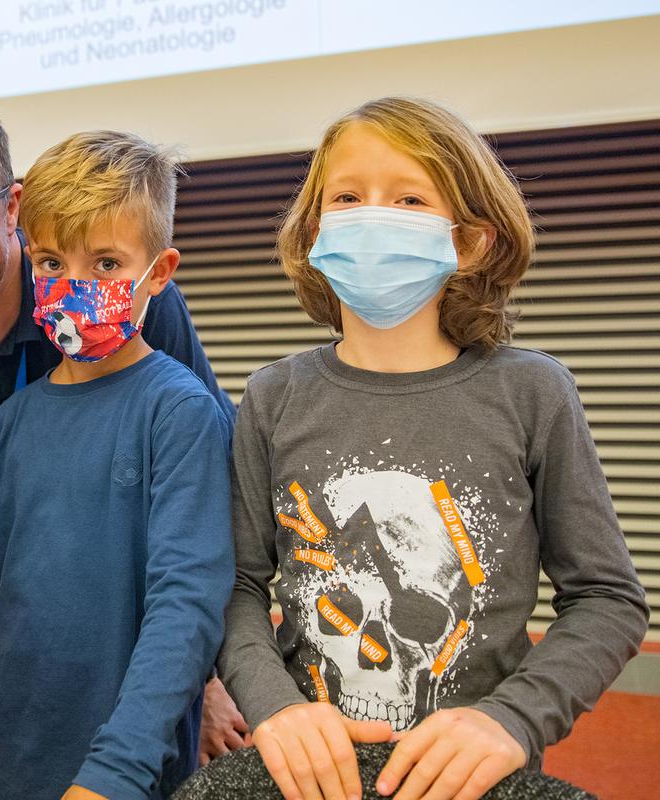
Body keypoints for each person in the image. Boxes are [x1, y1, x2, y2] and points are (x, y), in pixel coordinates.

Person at [218, 96, 648, 800]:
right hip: (307, 780)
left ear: (470, 240)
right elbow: (236, 586)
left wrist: (511, 719)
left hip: (475, 784)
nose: (372, 215)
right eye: (348, 197)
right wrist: (276, 707)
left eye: (409, 198)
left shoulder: (532, 393)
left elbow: (606, 598)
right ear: (315, 231)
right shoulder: (274, 396)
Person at [0, 91, 249, 760]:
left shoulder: (131, 303)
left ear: (11, 208)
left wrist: (206, 681)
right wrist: (13, 670)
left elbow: (206, 511)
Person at [0, 131, 235, 800]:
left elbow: (185, 610)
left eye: (106, 264)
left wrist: (116, 773)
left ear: (158, 273)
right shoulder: (15, 422)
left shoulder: (179, 413)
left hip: (124, 775)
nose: (74, 285)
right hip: (9, 763)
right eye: (51, 260)